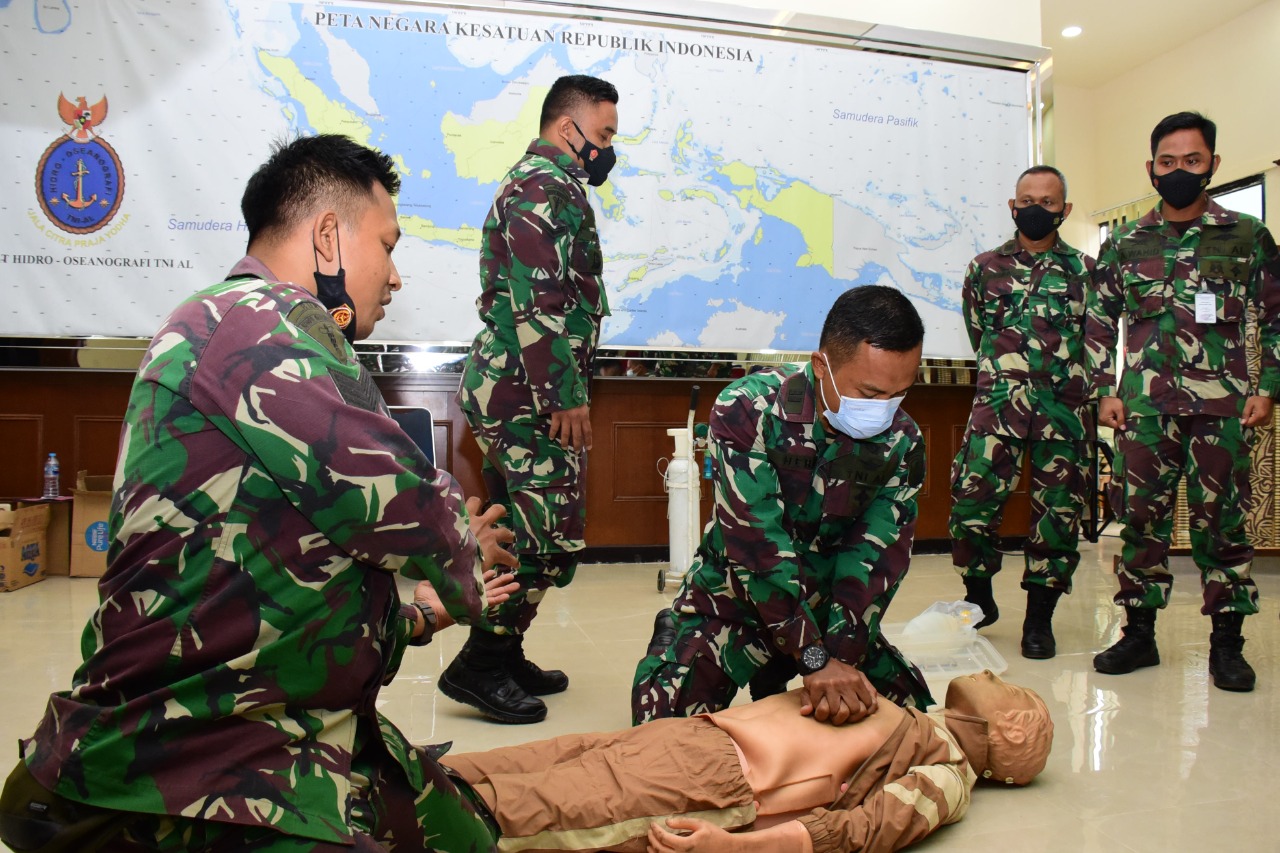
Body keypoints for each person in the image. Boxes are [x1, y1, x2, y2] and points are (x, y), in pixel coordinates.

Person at [0, 134, 522, 852]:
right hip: (185, 760)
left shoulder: (243, 326)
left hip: (257, 717)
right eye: (389, 245)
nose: (395, 276)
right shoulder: (256, 327)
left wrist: (423, 612)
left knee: (467, 836)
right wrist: (461, 551)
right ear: (330, 237)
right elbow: (407, 511)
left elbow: (285, 596)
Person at [633, 285, 934, 727]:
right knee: (661, 727)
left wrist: (840, 659)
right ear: (821, 366)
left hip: (831, 607)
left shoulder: (902, 442)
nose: (883, 411)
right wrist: (811, 657)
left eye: (899, 395)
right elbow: (757, 547)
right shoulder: (749, 409)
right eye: (869, 394)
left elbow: (877, 560)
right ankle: (679, 630)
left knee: (910, 722)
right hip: (738, 597)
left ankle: (780, 666)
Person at [446, 74, 620, 725]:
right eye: (602, 135)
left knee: (531, 524)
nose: (606, 149)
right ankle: (483, 662)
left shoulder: (555, 187)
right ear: (567, 126)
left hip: (525, 388)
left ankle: (505, 647)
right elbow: (542, 303)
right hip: (526, 391)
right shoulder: (540, 189)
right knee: (548, 530)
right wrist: (564, 397)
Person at [1086, 111, 1280, 692]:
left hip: (1222, 407)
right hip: (1144, 409)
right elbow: (1099, 322)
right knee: (1140, 521)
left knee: (1221, 524)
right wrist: (1104, 390)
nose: (1179, 171)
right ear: (1151, 170)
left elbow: (1275, 318)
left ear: (1212, 166)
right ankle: (1138, 635)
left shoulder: (1247, 236)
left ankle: (1228, 645)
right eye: (1167, 163)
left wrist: (1267, 387)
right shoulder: (1123, 243)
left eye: (1191, 162)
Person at [445, 671, 1053, 853]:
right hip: (695, 735)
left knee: (523, 810)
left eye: (1008, 687)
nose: (991, 673)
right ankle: (375, 779)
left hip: (714, 781)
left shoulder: (948, 774)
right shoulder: (917, 710)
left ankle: (378, 830)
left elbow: (862, 832)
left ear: (1014, 727)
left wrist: (733, 848)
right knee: (516, 762)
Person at [949, 166, 1096, 660]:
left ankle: (1039, 619)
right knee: (971, 507)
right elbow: (978, 334)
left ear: (1065, 210)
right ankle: (979, 597)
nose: (1037, 208)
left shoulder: (1085, 272)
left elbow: (1094, 343)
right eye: (1027, 200)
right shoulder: (984, 267)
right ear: (1013, 206)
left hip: (1062, 411)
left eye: (1048, 202)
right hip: (996, 408)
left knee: (1057, 515)